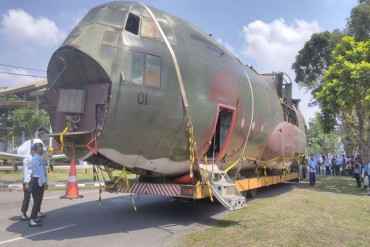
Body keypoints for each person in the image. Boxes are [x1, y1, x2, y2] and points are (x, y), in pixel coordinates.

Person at [29, 142, 48, 227]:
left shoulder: (34, 157)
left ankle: (35, 217)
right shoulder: (38, 158)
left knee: (37, 200)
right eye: (41, 148)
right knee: (37, 201)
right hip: (38, 181)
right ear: (37, 149)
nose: (42, 150)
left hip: (34, 180)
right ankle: (32, 220)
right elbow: (41, 171)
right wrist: (45, 182)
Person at [20, 146, 34, 220]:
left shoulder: (34, 157)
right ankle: (23, 213)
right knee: (27, 197)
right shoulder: (27, 159)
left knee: (36, 196)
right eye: (34, 150)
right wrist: (26, 182)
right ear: (31, 150)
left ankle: (37, 212)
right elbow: (25, 171)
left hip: (33, 179)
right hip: (28, 180)